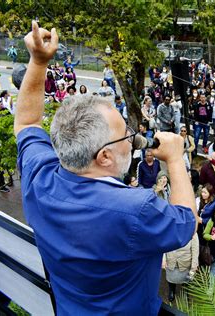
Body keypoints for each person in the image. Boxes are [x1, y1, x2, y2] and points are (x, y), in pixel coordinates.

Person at [14, 21, 197, 314]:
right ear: (104, 157)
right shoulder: (136, 210)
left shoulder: (40, 178)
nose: (133, 138)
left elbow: (25, 122)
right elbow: (185, 223)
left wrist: (38, 61)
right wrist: (175, 159)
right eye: (125, 133)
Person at [163, 233, 199, 302]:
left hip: (185, 262)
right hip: (171, 260)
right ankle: (172, 291)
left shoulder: (192, 231)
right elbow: (164, 245)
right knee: (171, 279)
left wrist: (194, 266)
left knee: (186, 281)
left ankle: (185, 293)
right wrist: (163, 259)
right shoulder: (169, 227)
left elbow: (195, 251)